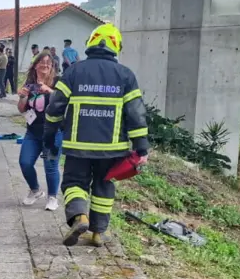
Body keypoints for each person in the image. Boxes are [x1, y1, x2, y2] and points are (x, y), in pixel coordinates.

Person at [43, 23, 150, 247]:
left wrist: (50, 134)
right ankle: (97, 233)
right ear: (116, 46)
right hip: (112, 149)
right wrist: (141, 147)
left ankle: (80, 216)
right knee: (104, 186)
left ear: (90, 43)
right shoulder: (125, 75)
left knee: (74, 183)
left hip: (77, 145)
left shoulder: (74, 71)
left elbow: (55, 107)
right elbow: (136, 113)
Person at [17, 52, 63, 211]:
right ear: (35, 65)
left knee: (50, 165)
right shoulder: (29, 84)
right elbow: (22, 109)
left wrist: (49, 91)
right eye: (42, 62)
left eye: (48, 63)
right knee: (25, 162)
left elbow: (65, 100)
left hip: (52, 132)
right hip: (33, 131)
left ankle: (52, 198)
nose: (45, 65)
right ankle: (35, 190)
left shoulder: (57, 82)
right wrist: (23, 97)